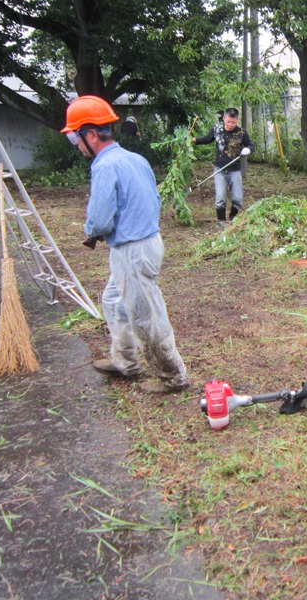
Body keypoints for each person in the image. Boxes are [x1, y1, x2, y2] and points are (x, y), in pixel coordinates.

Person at [62, 95, 189, 394]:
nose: (77, 145)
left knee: (146, 315)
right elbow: (153, 200)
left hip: (132, 250)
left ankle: (173, 376)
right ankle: (125, 362)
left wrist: (91, 230)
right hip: (145, 242)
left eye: (75, 138)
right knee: (113, 301)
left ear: (91, 134)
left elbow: (100, 218)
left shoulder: (105, 166)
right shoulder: (135, 159)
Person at [191, 108, 254, 227]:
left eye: (233, 122)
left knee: (237, 198)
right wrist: (193, 140)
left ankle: (233, 221)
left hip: (234, 171)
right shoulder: (217, 129)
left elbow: (251, 145)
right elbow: (206, 139)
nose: (230, 125)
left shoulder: (241, 133)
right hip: (220, 170)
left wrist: (248, 150)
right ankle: (221, 222)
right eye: (228, 121)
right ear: (224, 118)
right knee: (220, 197)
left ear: (237, 120)